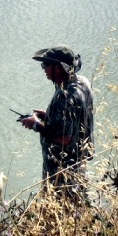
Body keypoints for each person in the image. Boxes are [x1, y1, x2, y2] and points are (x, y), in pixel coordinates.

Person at [20, 45, 94, 189]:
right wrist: (48, 116)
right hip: (79, 162)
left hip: (62, 170)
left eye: (45, 65)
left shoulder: (64, 95)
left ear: (59, 68)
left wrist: (35, 124)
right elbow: (74, 118)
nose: (43, 69)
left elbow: (64, 138)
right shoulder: (82, 83)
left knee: (61, 207)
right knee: (78, 205)